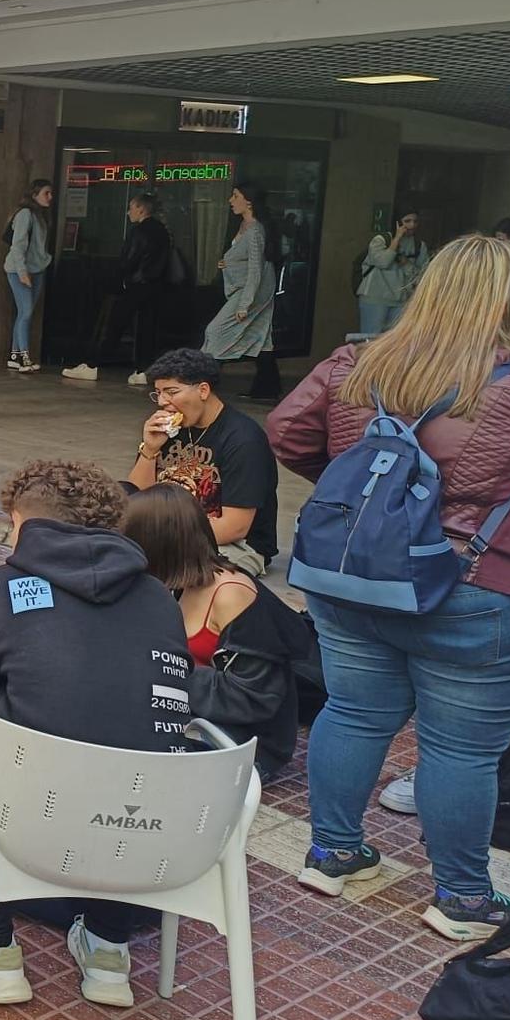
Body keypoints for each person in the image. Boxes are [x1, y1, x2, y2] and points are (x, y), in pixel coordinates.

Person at [267, 234, 510, 939]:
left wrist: (369, 507)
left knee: (352, 711)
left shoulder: (359, 360)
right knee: (461, 750)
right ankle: (463, 899)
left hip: (353, 578)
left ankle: (335, 853)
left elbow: (287, 430)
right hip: (474, 584)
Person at [0, 459, 192, 1008]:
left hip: (33, 821)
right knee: (130, 755)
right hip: (150, 829)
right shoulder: (157, 597)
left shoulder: (1, 587)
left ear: (23, 521)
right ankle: (106, 952)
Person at [119, 483, 311, 780]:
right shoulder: (179, 584)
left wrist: (162, 671)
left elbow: (254, 697)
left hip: (245, 740)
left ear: (158, 545)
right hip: (191, 713)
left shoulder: (231, 596)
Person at [128, 348, 279, 577]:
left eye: (171, 392)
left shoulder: (243, 440)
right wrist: (150, 449)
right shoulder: (170, 430)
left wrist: (164, 542)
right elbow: (136, 496)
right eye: (158, 393)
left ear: (203, 390)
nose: (162, 402)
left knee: (164, 577)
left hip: (230, 545)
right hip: (168, 535)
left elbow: (235, 527)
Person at [64, 193, 174, 385]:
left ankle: (92, 365)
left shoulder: (138, 232)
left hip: (135, 286)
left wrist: (118, 280)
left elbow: (128, 260)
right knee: (145, 330)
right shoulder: (162, 232)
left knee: (114, 326)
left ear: (141, 209)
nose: (128, 212)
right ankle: (143, 370)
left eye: (131, 207)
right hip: (154, 287)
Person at [203, 182, 281, 400]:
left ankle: (205, 382)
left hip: (251, 292)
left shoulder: (255, 230)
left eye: (235, 196)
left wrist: (244, 304)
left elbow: (256, 269)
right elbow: (247, 260)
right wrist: (229, 263)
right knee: (262, 339)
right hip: (252, 289)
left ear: (249, 200)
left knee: (215, 330)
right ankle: (267, 388)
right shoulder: (245, 226)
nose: (230, 200)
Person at [2, 179, 54, 373]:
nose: (50, 197)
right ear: (34, 195)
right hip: (20, 270)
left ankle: (15, 355)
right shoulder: (26, 214)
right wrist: (23, 272)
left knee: (24, 312)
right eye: (46, 193)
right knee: (26, 312)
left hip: (36, 268)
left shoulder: (39, 215)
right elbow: (18, 246)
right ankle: (24, 356)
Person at [355, 210, 425, 336]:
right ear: (398, 223)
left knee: (393, 341)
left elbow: (421, 275)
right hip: (375, 297)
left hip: (401, 300)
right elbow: (383, 262)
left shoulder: (419, 245)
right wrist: (397, 238)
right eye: (407, 221)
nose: (412, 225)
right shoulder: (381, 240)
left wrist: (405, 264)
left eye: (415, 221)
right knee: (370, 338)